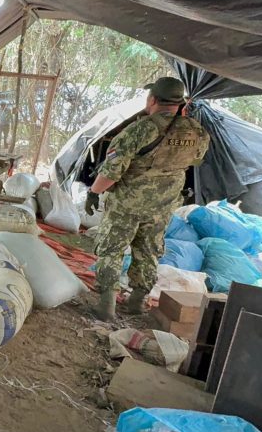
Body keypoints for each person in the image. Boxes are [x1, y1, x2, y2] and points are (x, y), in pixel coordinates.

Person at [87, 77, 210, 320]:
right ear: (181, 103)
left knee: (111, 249)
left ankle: (106, 306)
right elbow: (195, 160)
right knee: (148, 251)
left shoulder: (139, 130)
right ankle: (137, 302)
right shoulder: (197, 131)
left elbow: (111, 171)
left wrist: (93, 193)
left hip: (128, 203)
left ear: (152, 100)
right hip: (163, 205)